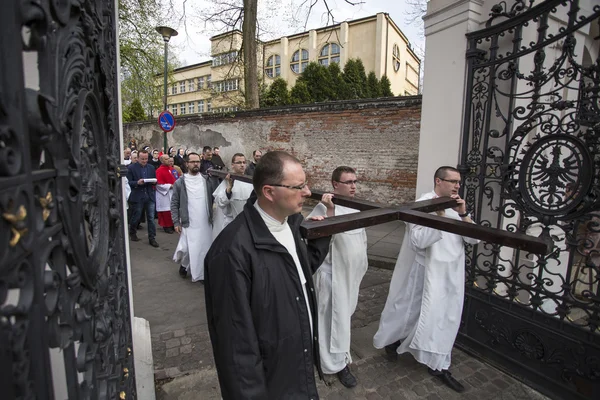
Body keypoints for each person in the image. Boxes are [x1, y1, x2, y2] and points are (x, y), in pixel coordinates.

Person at [204, 151, 332, 399]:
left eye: (306, 184)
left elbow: (293, 277)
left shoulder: (290, 222)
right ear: (269, 192)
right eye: (298, 187)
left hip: (297, 367)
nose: (307, 193)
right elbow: (235, 346)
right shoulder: (231, 252)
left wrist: (321, 239)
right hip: (270, 381)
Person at [373, 166, 479, 393]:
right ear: (438, 181)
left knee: (445, 318)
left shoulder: (457, 204)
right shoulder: (423, 203)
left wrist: (462, 213)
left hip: (451, 272)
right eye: (452, 181)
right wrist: (439, 217)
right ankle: (396, 342)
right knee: (411, 311)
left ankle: (438, 363)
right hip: (427, 271)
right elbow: (418, 240)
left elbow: (473, 240)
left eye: (459, 182)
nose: (457, 186)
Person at [307, 166, 368, 388]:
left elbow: (361, 240)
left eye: (355, 182)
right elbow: (316, 239)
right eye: (348, 182)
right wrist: (330, 210)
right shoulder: (323, 207)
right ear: (335, 184)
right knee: (329, 322)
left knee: (342, 321)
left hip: (349, 276)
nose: (353, 186)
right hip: (331, 277)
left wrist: (361, 267)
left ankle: (336, 358)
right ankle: (334, 364)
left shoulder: (356, 208)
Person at [171, 152, 217, 283]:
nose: (196, 164)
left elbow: (216, 196)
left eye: (198, 161)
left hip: (205, 222)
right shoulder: (180, 183)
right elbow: (174, 203)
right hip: (189, 222)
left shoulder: (206, 180)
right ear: (187, 164)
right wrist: (176, 222)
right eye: (193, 162)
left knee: (202, 248)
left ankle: (200, 274)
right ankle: (184, 265)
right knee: (188, 248)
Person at [212, 153, 254, 239]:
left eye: (244, 162)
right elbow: (220, 202)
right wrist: (229, 189)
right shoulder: (227, 181)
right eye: (239, 163)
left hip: (248, 223)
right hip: (232, 223)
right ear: (232, 165)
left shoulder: (250, 182)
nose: (242, 165)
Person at [127, 150, 159, 247]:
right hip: (138, 195)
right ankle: (132, 231)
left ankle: (152, 238)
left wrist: (154, 182)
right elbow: (128, 183)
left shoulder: (151, 167)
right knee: (136, 216)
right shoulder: (131, 168)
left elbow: (154, 179)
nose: (144, 161)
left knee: (151, 218)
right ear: (137, 158)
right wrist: (137, 182)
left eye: (146, 159)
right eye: (142, 159)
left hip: (149, 195)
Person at [156, 155, 176, 234]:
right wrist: (169, 186)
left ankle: (173, 225)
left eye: (169, 158)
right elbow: (158, 184)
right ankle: (166, 226)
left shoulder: (172, 169)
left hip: (173, 193)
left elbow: (176, 179)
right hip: (164, 194)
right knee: (166, 211)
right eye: (166, 159)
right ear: (162, 161)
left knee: (173, 209)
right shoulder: (159, 171)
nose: (169, 160)